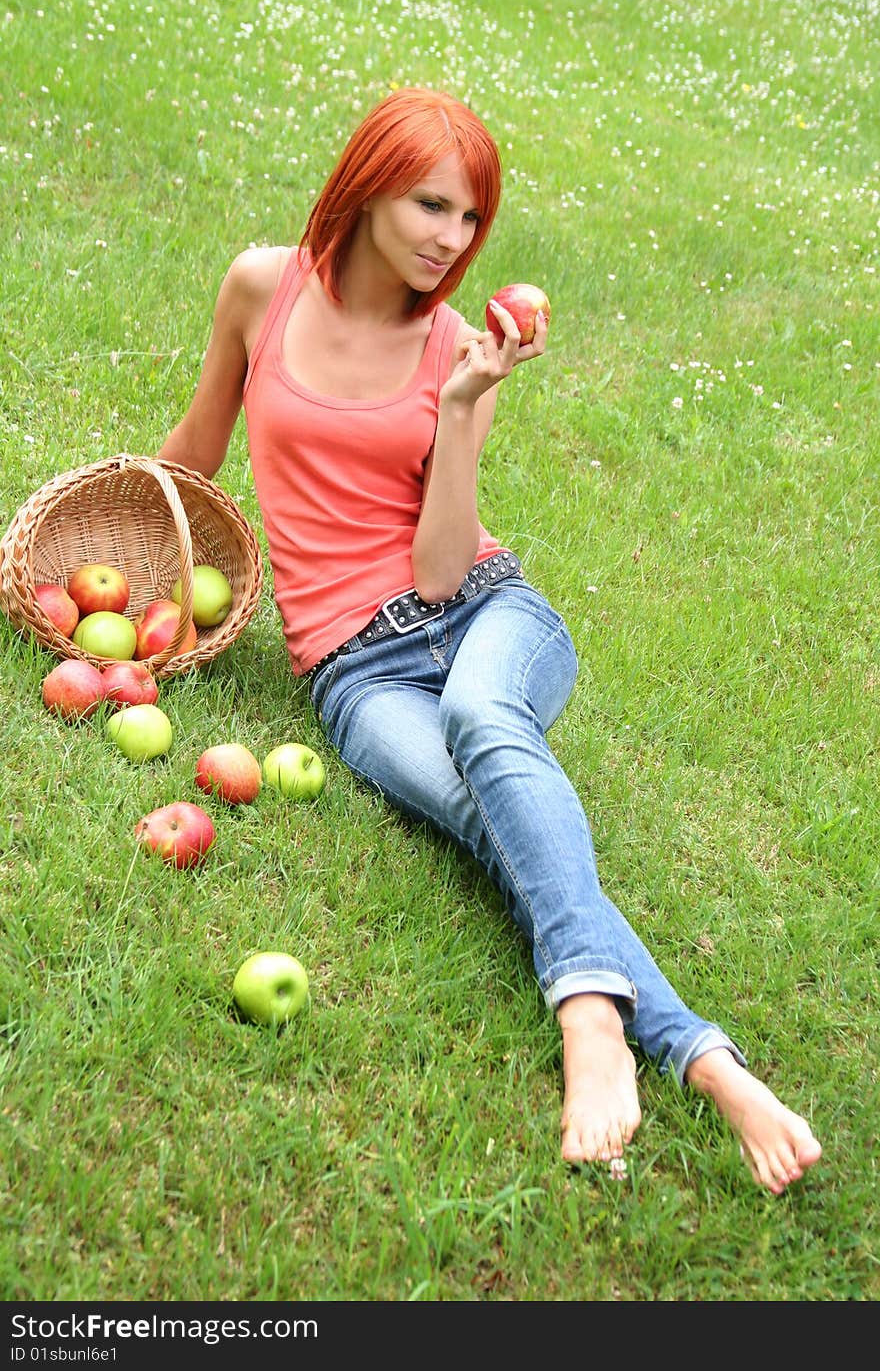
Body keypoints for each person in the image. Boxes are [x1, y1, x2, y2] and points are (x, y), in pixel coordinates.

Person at [157, 86, 822, 1193]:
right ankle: (707, 1061)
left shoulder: (459, 345)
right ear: (367, 187)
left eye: (469, 220)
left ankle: (589, 1024)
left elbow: (437, 570)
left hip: (488, 612)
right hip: (351, 668)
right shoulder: (261, 288)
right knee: (488, 814)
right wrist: (134, 541)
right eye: (430, 206)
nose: (449, 240)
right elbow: (198, 445)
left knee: (480, 715)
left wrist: (465, 404)